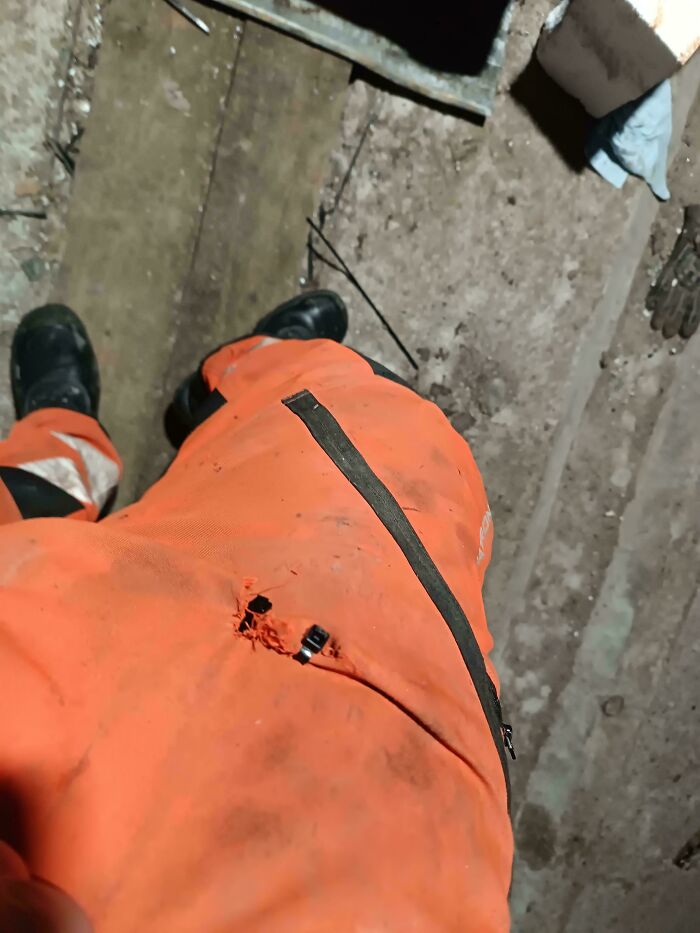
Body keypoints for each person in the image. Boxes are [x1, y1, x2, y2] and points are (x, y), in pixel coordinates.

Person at [0, 295, 513, 932]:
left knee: (22, 505)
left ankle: (64, 450)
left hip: (30, 655)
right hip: (395, 830)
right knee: (382, 434)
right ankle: (255, 374)